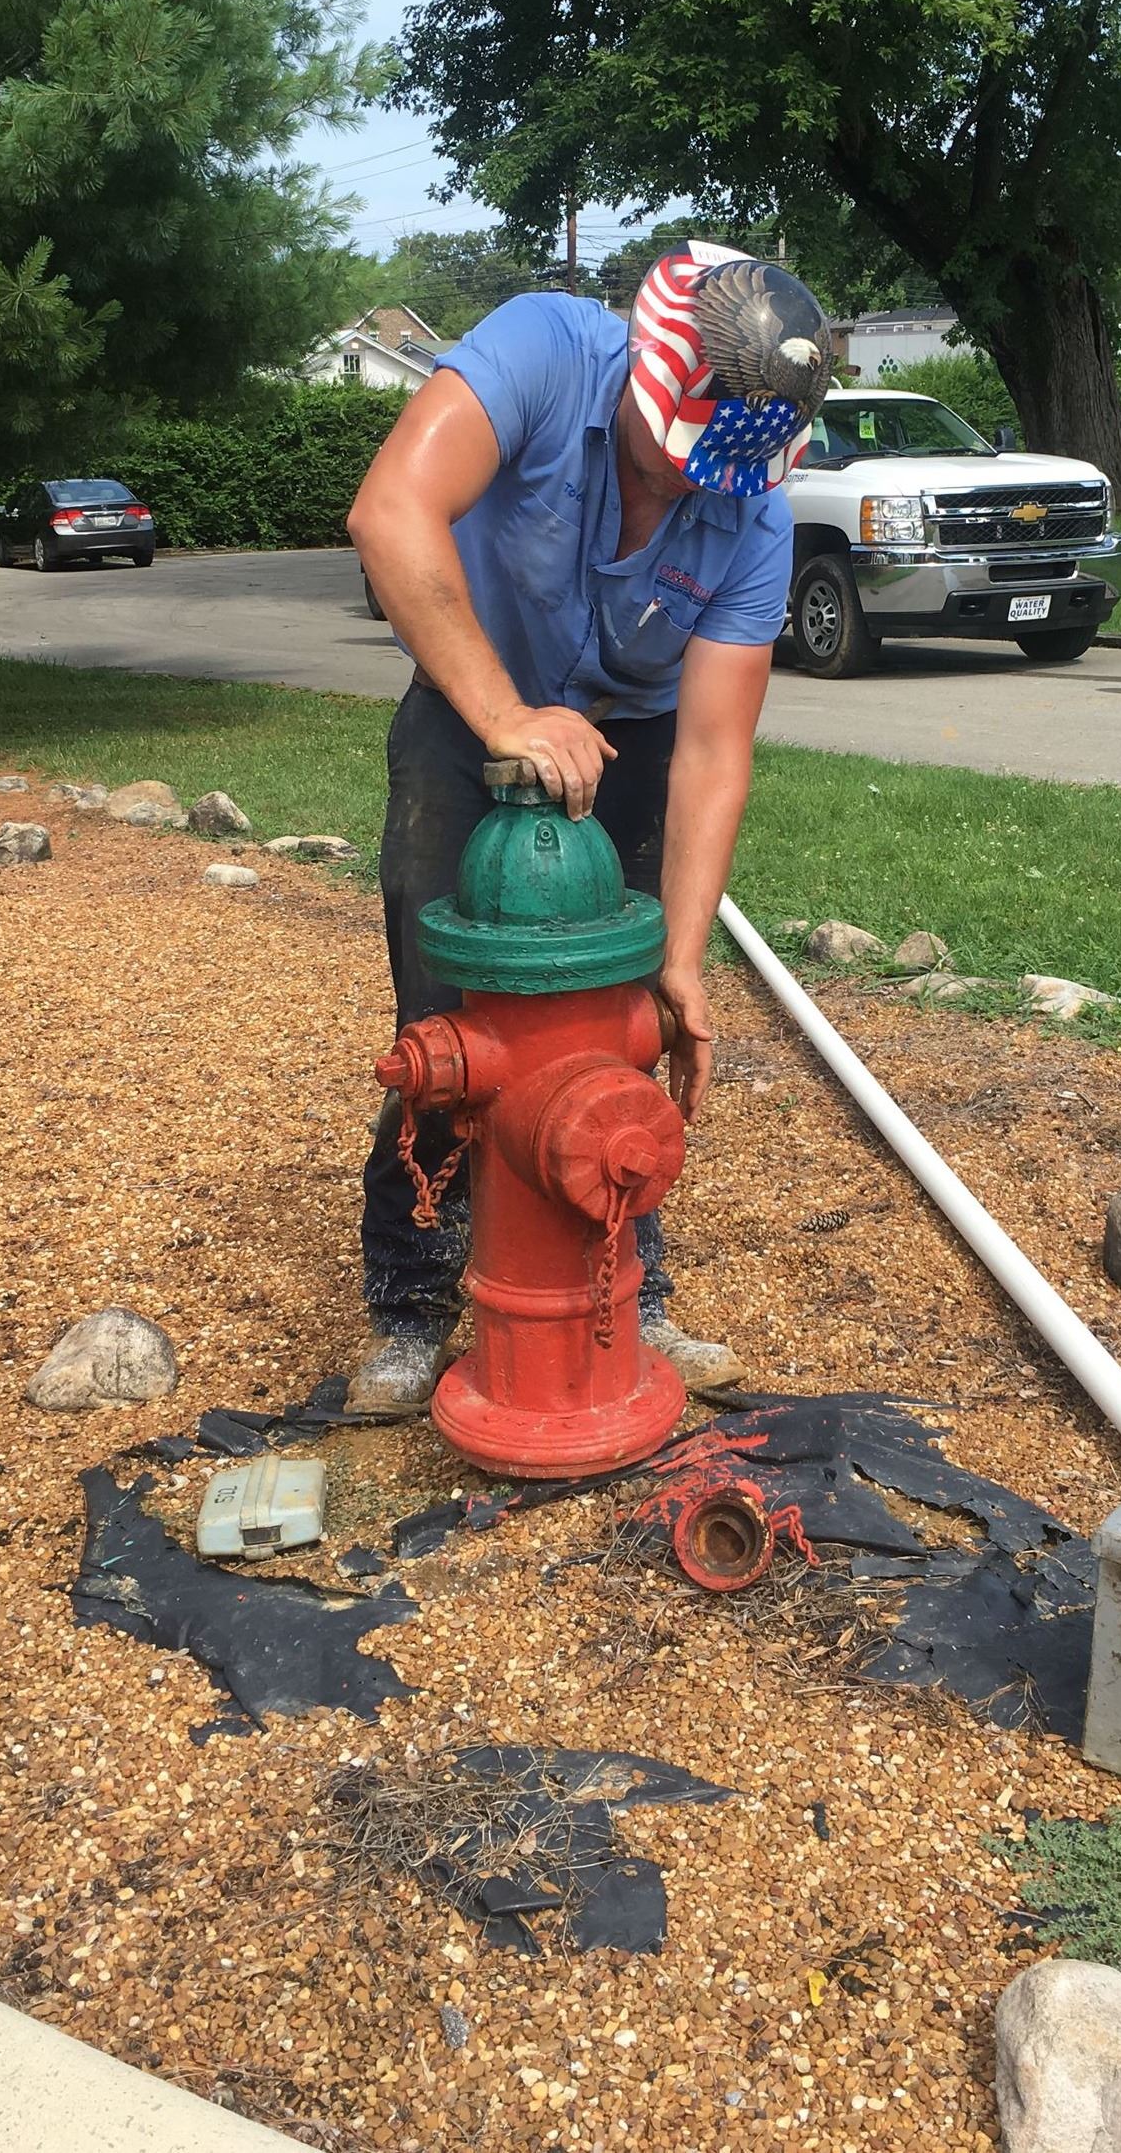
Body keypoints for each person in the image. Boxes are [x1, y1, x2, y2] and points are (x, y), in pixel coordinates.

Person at [343, 240, 834, 1413]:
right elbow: (389, 511)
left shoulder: (751, 504)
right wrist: (506, 712)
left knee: (625, 1025)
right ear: (637, 374)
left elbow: (714, 749)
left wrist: (681, 963)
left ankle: (633, 1290)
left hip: (639, 731)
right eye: (669, 460)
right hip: (473, 705)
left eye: (712, 474)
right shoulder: (542, 350)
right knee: (446, 1025)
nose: (685, 492)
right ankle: (411, 1306)